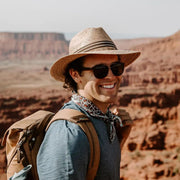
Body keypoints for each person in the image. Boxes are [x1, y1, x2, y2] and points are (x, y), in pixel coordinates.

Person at [37, 27, 140, 180]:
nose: (111, 77)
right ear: (76, 75)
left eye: (116, 68)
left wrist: (120, 140)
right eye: (100, 70)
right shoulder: (69, 133)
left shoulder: (104, 120)